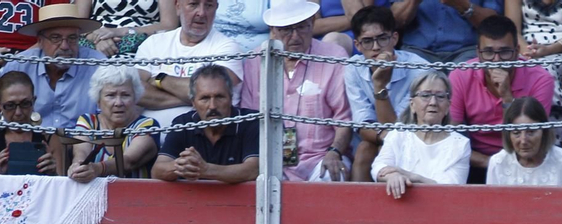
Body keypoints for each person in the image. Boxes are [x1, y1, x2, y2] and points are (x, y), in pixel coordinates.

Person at [238, 0, 352, 181]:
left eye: (302, 27)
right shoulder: (256, 60)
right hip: (270, 158)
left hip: (320, 156)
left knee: (332, 175)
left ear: (313, 23)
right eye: (287, 30)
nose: (295, 36)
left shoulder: (334, 57)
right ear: (273, 30)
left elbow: (344, 119)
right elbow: (249, 118)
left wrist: (334, 152)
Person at [448, 15, 554, 177]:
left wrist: (506, 97)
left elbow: (532, 137)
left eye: (504, 52)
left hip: (525, 159)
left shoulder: (540, 79)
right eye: (488, 52)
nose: (496, 60)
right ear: (478, 52)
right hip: (475, 160)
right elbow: (451, 139)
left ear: (517, 51)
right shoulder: (460, 75)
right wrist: (491, 164)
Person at [346, 5, 429, 181]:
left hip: (414, 139)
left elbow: (399, 127)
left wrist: (379, 84)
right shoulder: (353, 68)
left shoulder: (419, 69)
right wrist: (382, 137)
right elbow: (362, 123)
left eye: (382, 39)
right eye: (368, 41)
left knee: (374, 149)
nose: (376, 47)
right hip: (373, 138)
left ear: (394, 38)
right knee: (364, 150)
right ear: (358, 45)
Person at [135, 0, 245, 127]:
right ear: (177, 6)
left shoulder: (227, 47)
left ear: (216, 9)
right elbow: (136, 92)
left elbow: (213, 91)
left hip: (204, 138)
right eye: (193, 4)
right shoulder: (153, 43)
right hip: (150, 140)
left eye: (209, 6)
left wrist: (160, 80)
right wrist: (197, 99)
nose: (201, 13)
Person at [4, 3, 107, 129]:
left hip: (83, 144)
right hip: (32, 143)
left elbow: (106, 120)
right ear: (40, 41)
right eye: (55, 38)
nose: (64, 46)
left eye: (72, 38)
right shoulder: (18, 66)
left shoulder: (98, 65)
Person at [151, 63, 259, 181]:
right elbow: (157, 170)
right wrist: (181, 165)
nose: (212, 106)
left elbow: (253, 170)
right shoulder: (183, 123)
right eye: (205, 98)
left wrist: (206, 170)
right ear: (193, 102)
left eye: (219, 97)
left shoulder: (250, 121)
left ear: (231, 98)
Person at [372, 70, 470, 195]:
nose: (433, 103)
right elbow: (378, 167)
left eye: (440, 96)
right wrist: (393, 176)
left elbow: (452, 189)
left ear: (448, 106)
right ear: (412, 104)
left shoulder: (460, 144)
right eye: (425, 95)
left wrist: (414, 177)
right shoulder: (399, 133)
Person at [69, 64, 161, 179]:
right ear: (98, 100)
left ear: (135, 98)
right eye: (111, 95)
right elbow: (81, 152)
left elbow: (128, 161)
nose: (118, 103)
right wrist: (78, 166)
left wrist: (98, 169)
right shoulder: (88, 122)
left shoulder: (147, 126)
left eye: (125, 95)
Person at [0, 68, 66, 173]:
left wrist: (53, 173)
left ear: (33, 101)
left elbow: (60, 187)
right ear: (0, 105)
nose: (18, 112)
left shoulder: (51, 140)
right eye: (10, 105)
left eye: (25, 103)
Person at [485, 95, 562, 184]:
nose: (523, 141)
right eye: (516, 133)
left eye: (531, 132)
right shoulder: (498, 162)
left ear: (544, 131)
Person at [391, 0, 505, 62]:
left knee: (467, 79)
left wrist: (463, 5)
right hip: (417, 51)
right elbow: (394, 21)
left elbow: (492, 24)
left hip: (465, 52)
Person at [82, 0, 178, 57]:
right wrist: (96, 38)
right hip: (96, 40)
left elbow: (169, 26)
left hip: (141, 42)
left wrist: (121, 31)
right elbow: (77, 21)